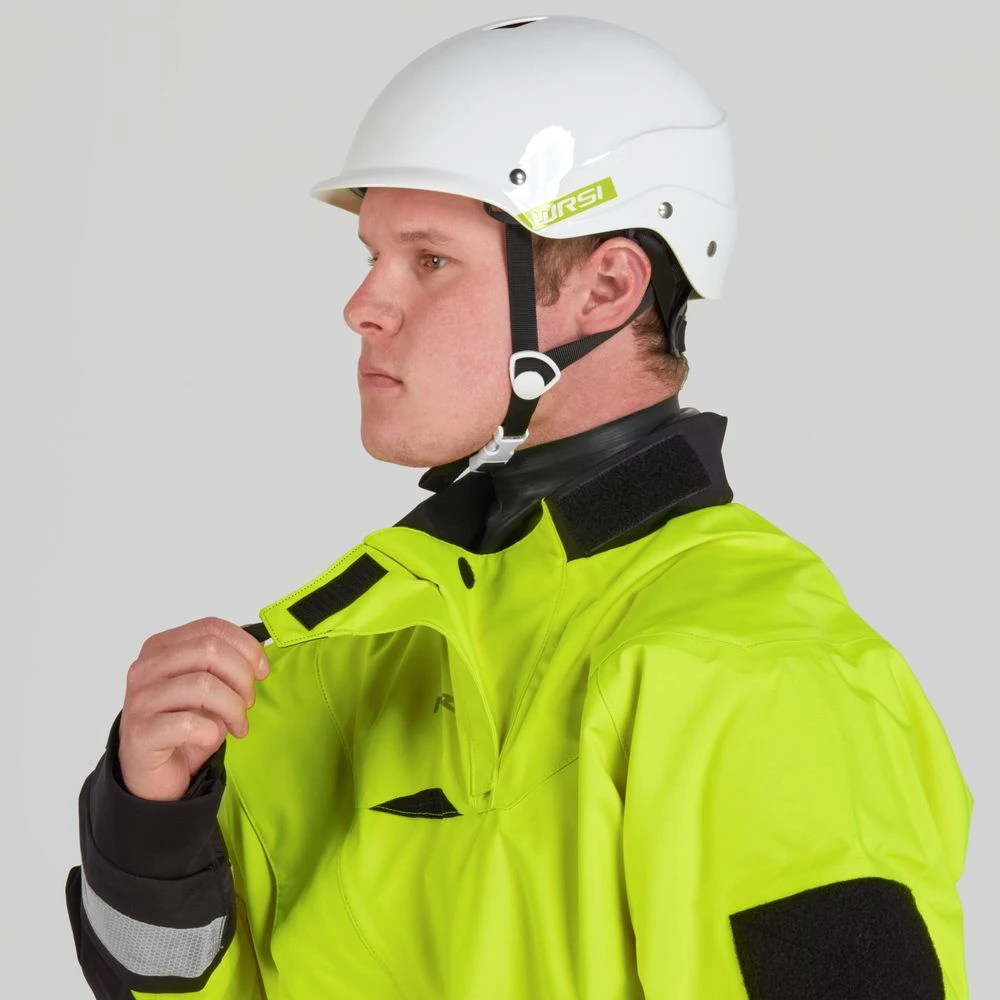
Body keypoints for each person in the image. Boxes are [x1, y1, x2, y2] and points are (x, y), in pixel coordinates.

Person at [66, 14, 973, 999]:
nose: (362, 306)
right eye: (371, 255)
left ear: (607, 287)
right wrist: (148, 826)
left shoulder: (760, 672)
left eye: (429, 259)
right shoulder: (331, 663)